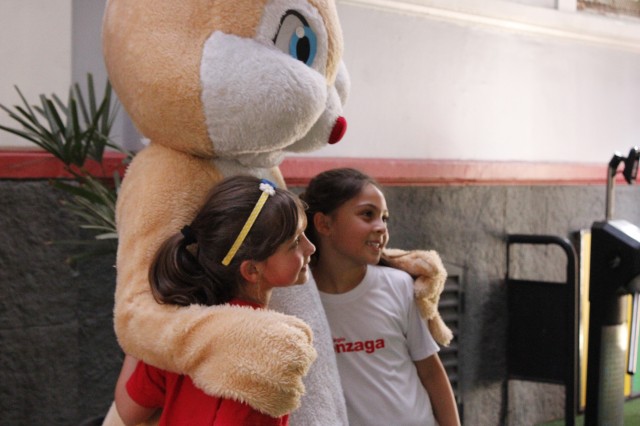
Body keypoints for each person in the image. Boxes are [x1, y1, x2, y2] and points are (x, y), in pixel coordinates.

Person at [113, 175, 316, 426]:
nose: (310, 247)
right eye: (295, 242)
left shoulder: (179, 326)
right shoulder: (268, 344)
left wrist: (144, 319)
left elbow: (129, 411)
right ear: (252, 270)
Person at [300, 168, 461, 426]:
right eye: (367, 214)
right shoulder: (299, 301)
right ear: (324, 224)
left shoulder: (399, 286)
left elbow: (431, 372)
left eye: (384, 218)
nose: (381, 227)